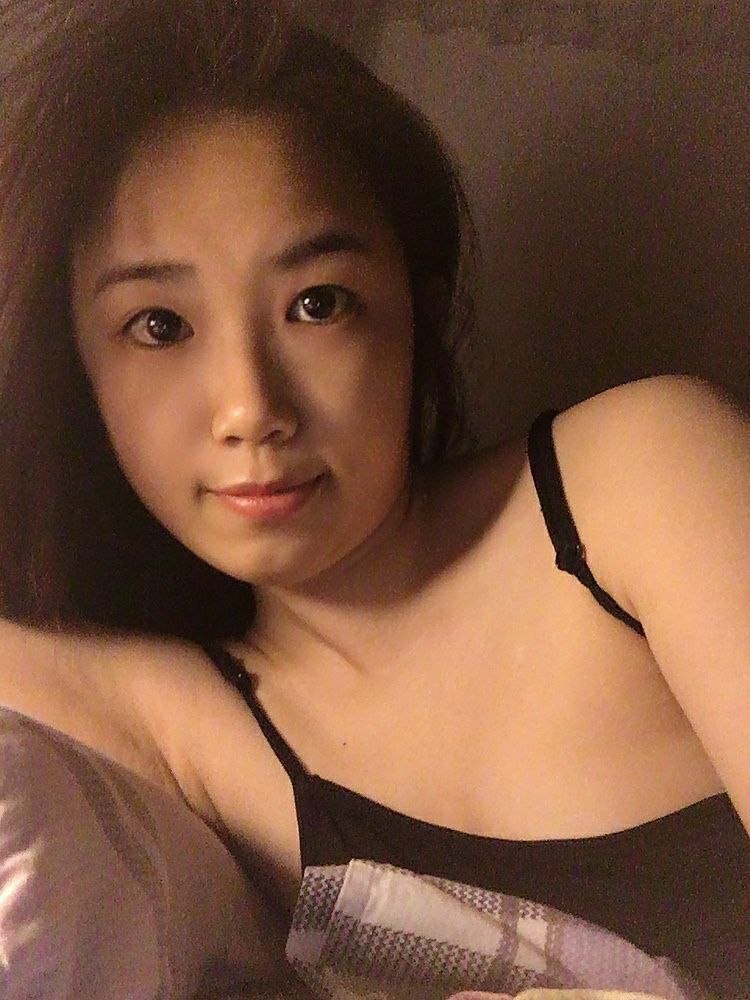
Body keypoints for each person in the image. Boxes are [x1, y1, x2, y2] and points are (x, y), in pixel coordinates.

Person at [0, 0, 748, 995]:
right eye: (159, 325)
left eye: (317, 304)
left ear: (417, 311)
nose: (250, 408)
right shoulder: (195, 730)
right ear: (78, 373)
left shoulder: (636, 478)